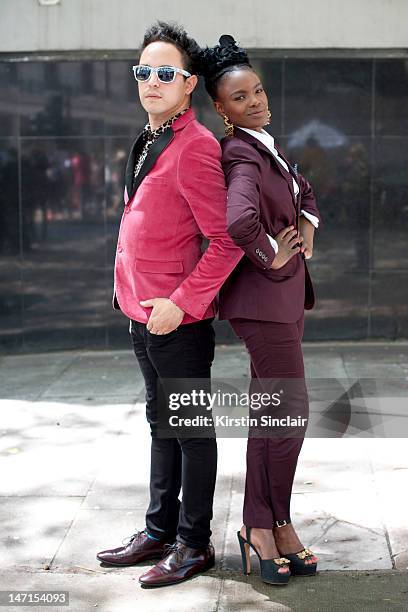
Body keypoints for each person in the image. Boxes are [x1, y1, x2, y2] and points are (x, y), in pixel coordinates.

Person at [96, 22, 243, 588]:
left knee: (190, 429)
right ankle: (158, 530)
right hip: (140, 310)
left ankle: (193, 543)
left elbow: (226, 240)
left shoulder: (196, 147)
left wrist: (182, 303)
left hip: (176, 319)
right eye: (144, 72)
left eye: (166, 73)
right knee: (162, 424)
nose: (151, 82)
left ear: (188, 85)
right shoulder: (150, 135)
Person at [198, 35, 322, 585]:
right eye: (241, 97)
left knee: (271, 417)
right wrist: (272, 254)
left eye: (259, 90)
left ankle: (269, 525)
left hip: (284, 300)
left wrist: (305, 227)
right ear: (222, 110)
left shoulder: (265, 143)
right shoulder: (241, 152)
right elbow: (239, 221)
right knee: (288, 417)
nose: (256, 101)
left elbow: (305, 190)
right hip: (266, 304)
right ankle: (268, 524)